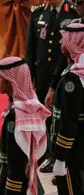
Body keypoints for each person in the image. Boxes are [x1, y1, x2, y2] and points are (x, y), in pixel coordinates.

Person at [25, 0, 77, 173]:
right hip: (42, 74)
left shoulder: (72, 13)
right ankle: (47, 154)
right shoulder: (37, 13)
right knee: (45, 117)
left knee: (62, 117)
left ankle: (61, 157)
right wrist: (28, 77)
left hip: (65, 76)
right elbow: (30, 49)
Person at [0, 57, 50, 195]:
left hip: (15, 183)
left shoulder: (16, 115)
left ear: (11, 81)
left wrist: (10, 189)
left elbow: (15, 160)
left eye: (0, 77)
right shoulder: (33, 105)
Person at [51, 22, 84, 194]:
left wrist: (60, 156)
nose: (61, 43)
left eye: (64, 40)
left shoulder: (73, 78)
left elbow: (69, 121)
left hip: (74, 149)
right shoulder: (78, 69)